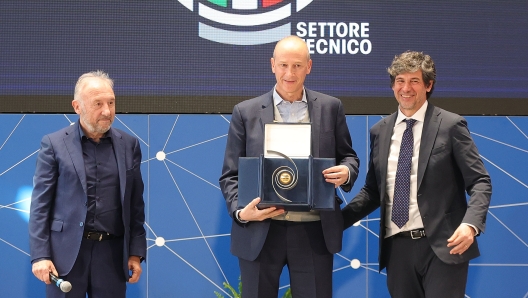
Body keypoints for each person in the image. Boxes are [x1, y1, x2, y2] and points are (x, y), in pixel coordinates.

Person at [342, 51, 492, 297]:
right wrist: (335, 223)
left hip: (445, 246)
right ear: (392, 85)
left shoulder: (451, 125)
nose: (406, 88)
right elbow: (373, 191)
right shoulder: (379, 131)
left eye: (414, 81)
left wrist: (471, 225)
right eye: (400, 80)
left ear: (428, 85)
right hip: (397, 249)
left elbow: (480, 181)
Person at [219, 36, 360, 298]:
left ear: (309, 66)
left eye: (297, 65)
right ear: (272, 65)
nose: (289, 73)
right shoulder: (245, 112)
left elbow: (349, 157)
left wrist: (347, 172)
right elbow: (230, 176)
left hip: (314, 231)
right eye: (283, 65)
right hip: (260, 230)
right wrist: (242, 212)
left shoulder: (331, 107)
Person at [29, 70, 146, 298]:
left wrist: (135, 253)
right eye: (98, 104)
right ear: (77, 106)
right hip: (65, 257)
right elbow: (40, 206)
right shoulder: (53, 144)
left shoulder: (129, 145)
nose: (107, 111)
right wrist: (40, 256)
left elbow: (135, 205)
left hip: (112, 256)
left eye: (111, 103)